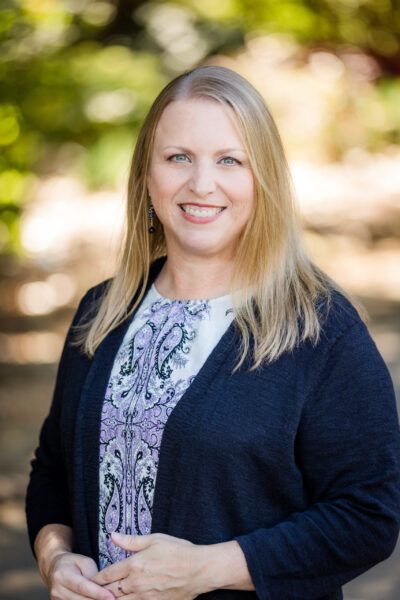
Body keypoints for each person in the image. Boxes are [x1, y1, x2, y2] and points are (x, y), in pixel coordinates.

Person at [26, 65, 400, 600]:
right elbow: (52, 472)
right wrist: (55, 557)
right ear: (146, 176)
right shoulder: (102, 312)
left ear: (262, 178)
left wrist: (211, 568)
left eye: (230, 160)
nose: (202, 184)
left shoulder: (320, 328)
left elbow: (368, 517)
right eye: (178, 157)